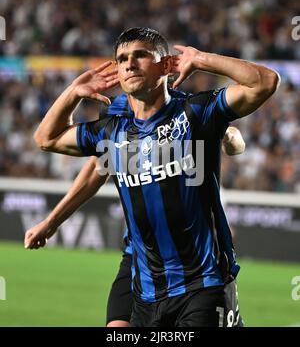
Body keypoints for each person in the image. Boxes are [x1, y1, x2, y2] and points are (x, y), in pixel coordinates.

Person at [29, 27, 279, 326]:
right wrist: (72, 93)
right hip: (145, 282)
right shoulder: (114, 126)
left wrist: (201, 58)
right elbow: (52, 142)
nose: (130, 64)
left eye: (140, 56)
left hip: (202, 282)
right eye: (122, 59)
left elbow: (264, 82)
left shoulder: (193, 112)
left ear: (166, 65)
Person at [24, 127, 245, 327]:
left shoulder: (187, 116)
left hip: (193, 268)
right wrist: (51, 221)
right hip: (140, 259)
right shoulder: (123, 123)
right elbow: (95, 163)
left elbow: (232, 134)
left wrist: (227, 137)